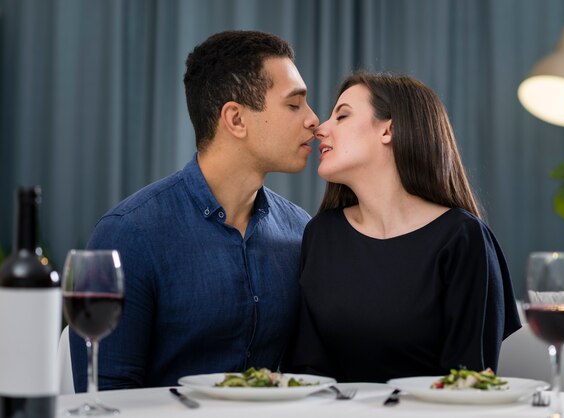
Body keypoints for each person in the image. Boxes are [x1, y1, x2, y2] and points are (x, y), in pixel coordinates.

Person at [69, 30, 319, 390]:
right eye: (294, 105)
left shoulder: (300, 231)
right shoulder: (128, 235)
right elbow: (106, 393)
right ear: (235, 119)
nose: (314, 120)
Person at [287, 72, 521, 383]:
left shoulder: (462, 239)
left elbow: (466, 382)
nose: (321, 128)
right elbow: (308, 372)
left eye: (342, 116)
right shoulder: (321, 235)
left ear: (389, 130)